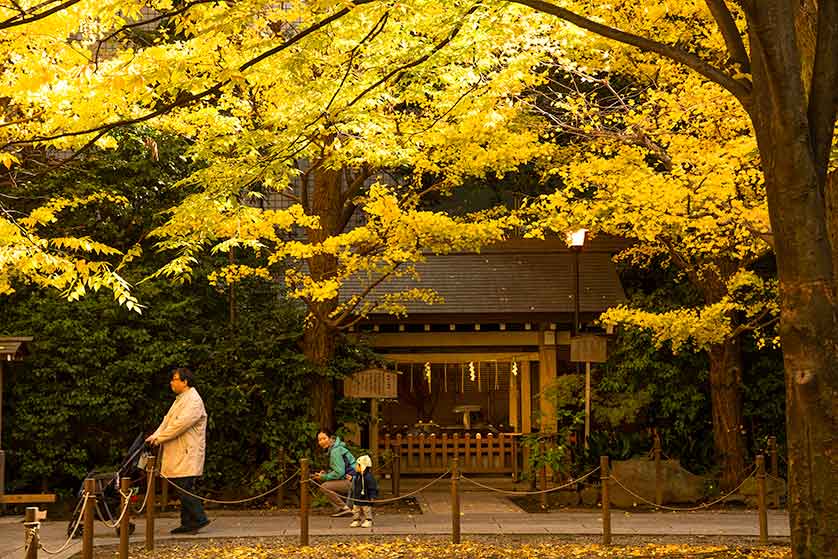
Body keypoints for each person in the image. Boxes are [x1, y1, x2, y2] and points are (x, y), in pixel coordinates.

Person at [146, 367, 210, 534]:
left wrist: (159, 438)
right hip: (180, 451)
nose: (171, 383)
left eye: (175, 379)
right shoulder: (181, 399)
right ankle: (188, 522)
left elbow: (179, 425)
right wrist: (155, 435)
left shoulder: (193, 401)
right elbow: (167, 421)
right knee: (183, 487)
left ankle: (199, 518)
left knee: (184, 487)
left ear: (185, 381)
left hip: (187, 451)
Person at [312, 428, 355, 517]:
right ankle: (341, 508)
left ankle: (344, 508)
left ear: (331, 438)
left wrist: (324, 477)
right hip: (353, 479)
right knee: (328, 484)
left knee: (324, 487)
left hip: (354, 481)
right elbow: (340, 469)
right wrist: (326, 473)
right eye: (319, 440)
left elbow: (339, 472)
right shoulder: (336, 448)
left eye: (324, 438)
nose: (322, 442)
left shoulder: (335, 451)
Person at [348, 455, 378, 528]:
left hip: (365, 497)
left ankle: (368, 520)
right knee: (356, 509)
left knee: (366, 510)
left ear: (363, 466)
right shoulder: (358, 475)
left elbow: (373, 487)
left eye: (357, 465)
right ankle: (356, 520)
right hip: (357, 497)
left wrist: (372, 496)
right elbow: (357, 483)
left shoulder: (368, 477)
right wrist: (351, 479)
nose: (355, 467)